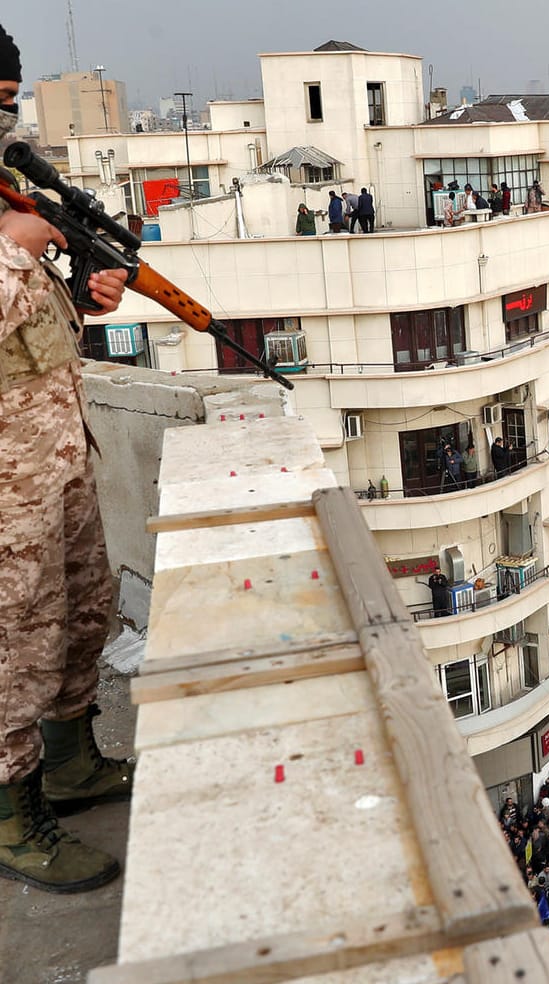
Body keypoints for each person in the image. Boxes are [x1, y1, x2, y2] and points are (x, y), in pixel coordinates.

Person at [0, 23, 136, 894]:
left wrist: (90, 289)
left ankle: (71, 762)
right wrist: (16, 253)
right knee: (15, 645)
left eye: (7, 100)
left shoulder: (12, 186)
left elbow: (42, 336)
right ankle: (15, 820)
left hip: (57, 457)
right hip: (7, 486)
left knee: (84, 611)